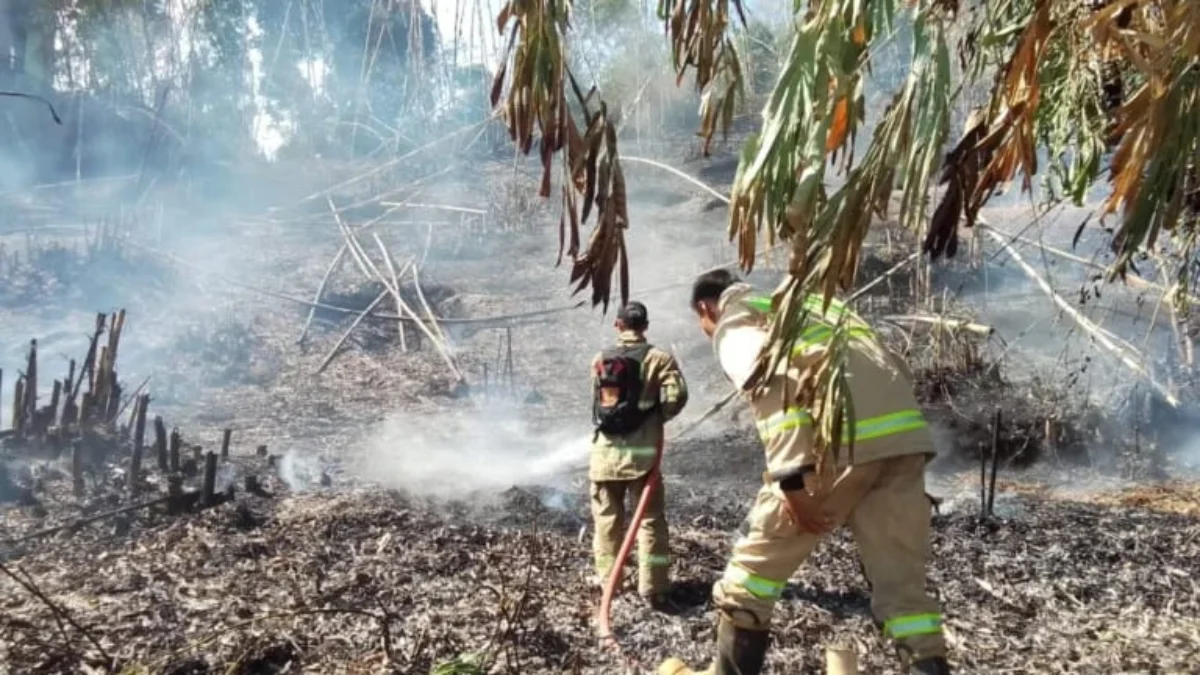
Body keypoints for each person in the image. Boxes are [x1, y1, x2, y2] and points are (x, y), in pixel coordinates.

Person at [659, 270, 949, 675]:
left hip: (835, 444)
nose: (708, 333)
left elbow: (773, 384)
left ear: (707, 308)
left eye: (703, 324)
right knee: (905, 597)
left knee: (750, 579)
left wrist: (792, 482)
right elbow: (891, 364)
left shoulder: (735, 321)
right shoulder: (813, 304)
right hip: (902, 444)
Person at [590, 300, 689, 610]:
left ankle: (610, 582)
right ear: (645, 326)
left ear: (618, 325)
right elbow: (677, 395)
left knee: (607, 521)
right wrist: (657, 417)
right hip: (643, 457)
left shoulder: (600, 359)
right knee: (650, 522)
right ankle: (655, 588)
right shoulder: (659, 359)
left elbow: (601, 403)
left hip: (604, 456)